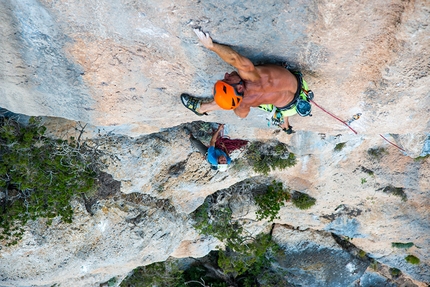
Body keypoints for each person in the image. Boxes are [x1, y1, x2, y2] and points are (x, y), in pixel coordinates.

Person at [181, 28, 313, 134]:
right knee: (230, 101)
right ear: (239, 88)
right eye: (227, 79)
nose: (226, 74)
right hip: (301, 89)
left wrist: (236, 102)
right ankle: (285, 124)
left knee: (231, 102)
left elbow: (241, 115)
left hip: (291, 106)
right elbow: (234, 59)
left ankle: (202, 108)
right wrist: (211, 46)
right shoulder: (251, 76)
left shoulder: (244, 102)